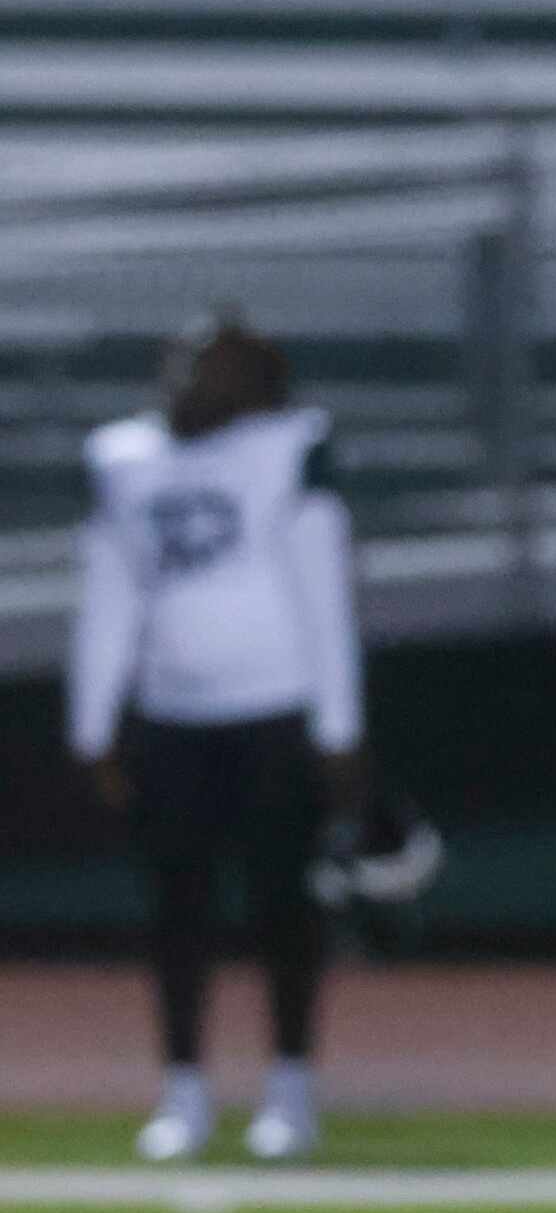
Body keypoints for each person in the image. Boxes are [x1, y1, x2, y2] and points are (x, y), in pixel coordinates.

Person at [66, 315, 364, 1162]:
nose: (192, 376)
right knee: (177, 915)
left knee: (283, 910)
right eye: (187, 360)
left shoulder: (288, 449)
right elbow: (112, 593)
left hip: (273, 709)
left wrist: (338, 728)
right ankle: (183, 1091)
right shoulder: (125, 459)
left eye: (216, 365)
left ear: (255, 383)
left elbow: (323, 591)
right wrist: (94, 723)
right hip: (172, 716)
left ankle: (291, 1088)